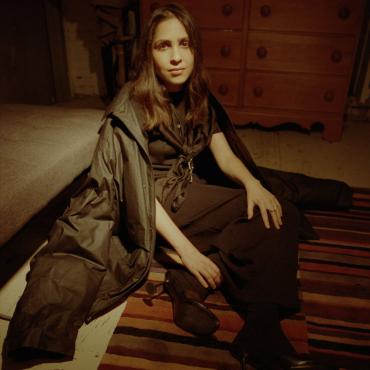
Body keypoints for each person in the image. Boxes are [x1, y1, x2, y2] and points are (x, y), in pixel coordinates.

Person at [5, 3, 351, 369]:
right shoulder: (131, 104)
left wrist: (252, 183)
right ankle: (203, 283)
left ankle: (242, 317)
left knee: (273, 206)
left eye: (183, 44)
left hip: (186, 190)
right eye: (162, 46)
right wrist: (187, 251)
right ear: (148, 54)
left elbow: (224, 155)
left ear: (194, 49)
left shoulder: (197, 93)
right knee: (272, 224)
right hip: (147, 204)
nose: (175, 57)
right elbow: (135, 194)